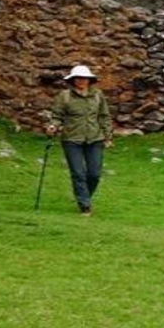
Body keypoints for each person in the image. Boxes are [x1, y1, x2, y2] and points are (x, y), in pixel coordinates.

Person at [48, 64, 113, 215]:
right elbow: (57, 116)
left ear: (90, 80)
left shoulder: (98, 95)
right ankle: (84, 205)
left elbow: (104, 116)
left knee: (94, 174)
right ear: (73, 80)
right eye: (78, 78)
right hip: (72, 139)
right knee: (78, 173)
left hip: (95, 138)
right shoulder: (64, 96)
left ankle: (85, 196)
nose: (81, 81)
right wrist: (53, 126)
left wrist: (108, 136)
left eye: (84, 78)